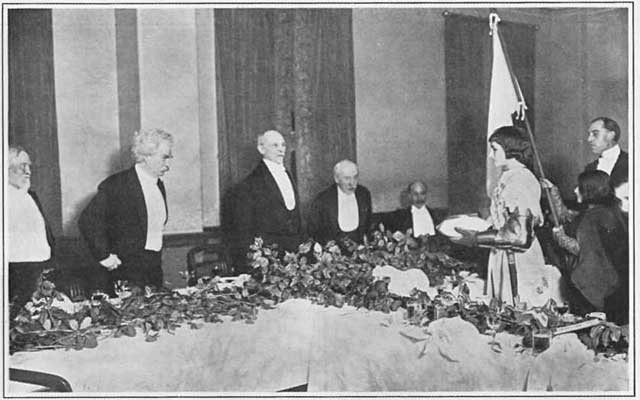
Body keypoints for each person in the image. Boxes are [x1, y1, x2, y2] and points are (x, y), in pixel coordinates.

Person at [453, 126, 553, 308]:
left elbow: (520, 235)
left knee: (518, 312)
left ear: (511, 149)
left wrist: (475, 239)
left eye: (495, 149)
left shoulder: (521, 179)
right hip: (503, 253)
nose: (491, 156)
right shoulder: (509, 176)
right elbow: (505, 217)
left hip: (518, 257)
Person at [79, 128, 173, 292]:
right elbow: (87, 220)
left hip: (153, 270)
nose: (168, 164)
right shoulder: (117, 184)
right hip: (123, 274)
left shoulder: (159, 185)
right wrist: (104, 256)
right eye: (164, 157)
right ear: (146, 156)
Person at [543, 171, 628, 324]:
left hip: (596, 283)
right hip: (614, 282)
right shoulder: (604, 210)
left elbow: (582, 250)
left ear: (590, 191)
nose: (575, 190)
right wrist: (552, 190)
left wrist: (560, 238)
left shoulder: (593, 217)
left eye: (579, 187)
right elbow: (566, 216)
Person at [229, 130, 302, 272]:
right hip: (269, 258)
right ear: (261, 149)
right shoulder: (250, 184)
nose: (281, 149)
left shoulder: (287, 175)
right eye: (275, 145)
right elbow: (244, 228)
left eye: (283, 145)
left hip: (292, 254)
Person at [7, 146, 56, 316]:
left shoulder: (30, 195)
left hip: (38, 268)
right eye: (22, 166)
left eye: (29, 166)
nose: (28, 171)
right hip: (14, 272)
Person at [307, 160, 372, 245]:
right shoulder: (322, 200)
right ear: (336, 179)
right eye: (347, 178)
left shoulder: (364, 194)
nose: (352, 183)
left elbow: (368, 226)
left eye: (355, 177)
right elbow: (313, 233)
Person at [584, 117, 628, 188]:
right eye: (589, 134)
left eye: (595, 134)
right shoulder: (589, 168)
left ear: (611, 135)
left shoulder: (633, 163)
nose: (589, 139)